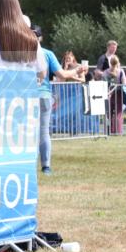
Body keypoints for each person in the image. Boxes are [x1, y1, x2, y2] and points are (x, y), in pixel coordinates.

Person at [33, 26, 85, 174]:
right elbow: (62, 74)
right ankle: (46, 166)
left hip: (26, 96)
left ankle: (27, 165)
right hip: (43, 95)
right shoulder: (47, 54)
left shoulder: (20, 54)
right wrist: (77, 70)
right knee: (44, 132)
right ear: (40, 38)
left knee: (27, 132)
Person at [104, 54, 126, 134]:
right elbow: (124, 83)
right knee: (118, 114)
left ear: (110, 62)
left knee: (108, 113)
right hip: (119, 94)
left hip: (108, 94)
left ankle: (108, 131)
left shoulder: (106, 72)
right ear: (118, 62)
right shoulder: (121, 71)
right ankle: (118, 131)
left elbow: (103, 83)